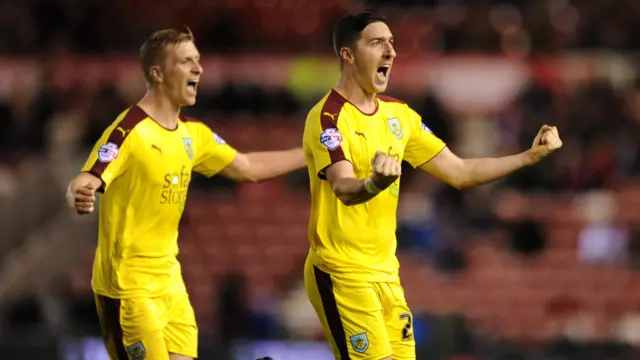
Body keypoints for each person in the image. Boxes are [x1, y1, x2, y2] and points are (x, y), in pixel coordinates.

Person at [302, 11, 562, 360]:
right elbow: (344, 187)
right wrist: (375, 183)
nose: (391, 52)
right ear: (348, 55)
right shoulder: (328, 117)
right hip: (342, 271)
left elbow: (459, 171)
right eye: (377, 43)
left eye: (392, 43)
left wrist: (528, 157)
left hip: (386, 273)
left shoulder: (400, 116)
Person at [66, 28, 305, 360]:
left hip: (170, 283)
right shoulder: (130, 130)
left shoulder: (194, 135)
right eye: (186, 62)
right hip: (127, 287)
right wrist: (82, 192)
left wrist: (310, 153)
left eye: (198, 61)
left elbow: (248, 166)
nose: (198, 69)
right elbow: (87, 178)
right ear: (157, 72)